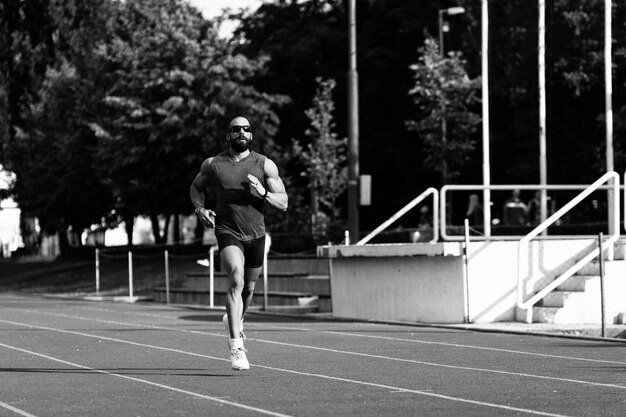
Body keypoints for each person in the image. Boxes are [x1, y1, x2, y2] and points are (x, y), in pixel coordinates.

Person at [190, 116, 288, 370]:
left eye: (246, 129)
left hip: (256, 233)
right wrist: (201, 210)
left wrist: (264, 194)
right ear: (228, 135)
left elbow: (284, 202)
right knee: (236, 277)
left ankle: (235, 319)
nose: (241, 132)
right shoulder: (214, 164)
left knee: (250, 286)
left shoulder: (265, 164)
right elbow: (195, 187)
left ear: (251, 136)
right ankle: (236, 346)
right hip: (227, 230)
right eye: (236, 129)